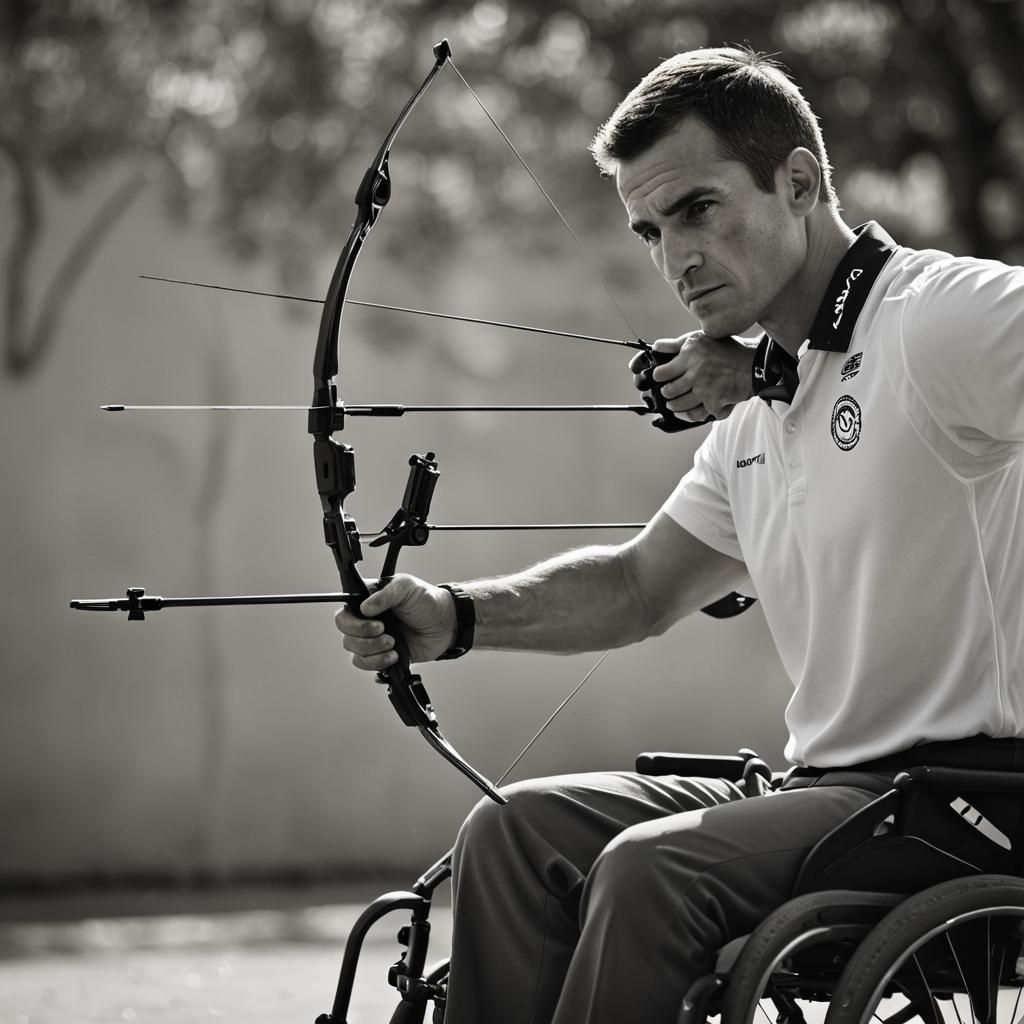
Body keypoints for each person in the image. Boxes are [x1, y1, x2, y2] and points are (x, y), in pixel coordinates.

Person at [335, 45, 1024, 1024]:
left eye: (697, 209)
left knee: (652, 869)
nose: (674, 258)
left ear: (796, 182)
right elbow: (637, 587)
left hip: (966, 801)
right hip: (835, 796)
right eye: (649, 229)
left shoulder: (933, 318)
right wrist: (449, 617)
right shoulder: (751, 394)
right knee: (513, 832)